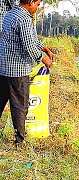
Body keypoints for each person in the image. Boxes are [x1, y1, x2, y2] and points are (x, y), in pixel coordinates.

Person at [0, 0, 55, 144]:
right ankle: (20, 140)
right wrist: (44, 59)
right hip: (18, 70)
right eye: (37, 4)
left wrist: (45, 48)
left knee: (1, 100)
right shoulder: (24, 18)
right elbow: (29, 45)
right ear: (30, 2)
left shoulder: (10, 14)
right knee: (19, 105)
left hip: (3, 67)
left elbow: (31, 39)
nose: (38, 7)